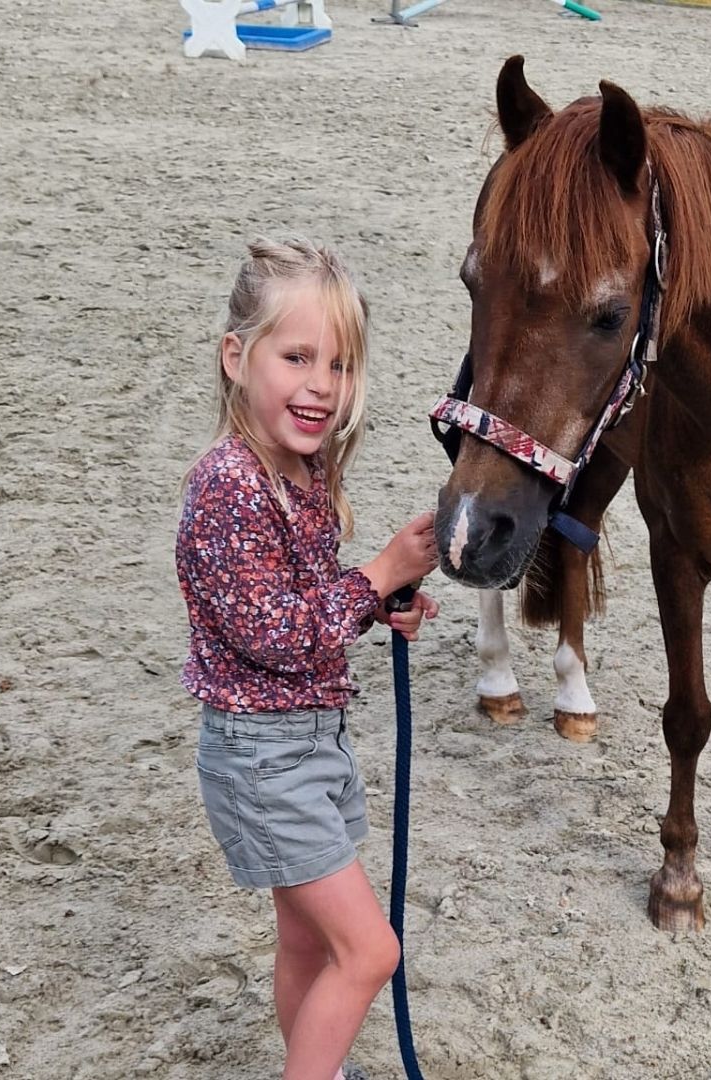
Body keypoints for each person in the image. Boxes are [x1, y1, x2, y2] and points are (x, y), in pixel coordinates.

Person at [176, 239, 439, 1080]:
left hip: (310, 743)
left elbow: (304, 605)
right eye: (297, 357)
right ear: (237, 357)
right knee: (371, 951)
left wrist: (373, 604)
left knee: (307, 941)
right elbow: (277, 634)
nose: (322, 384)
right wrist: (378, 574)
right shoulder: (230, 485)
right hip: (263, 757)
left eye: (340, 364)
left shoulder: (302, 471)